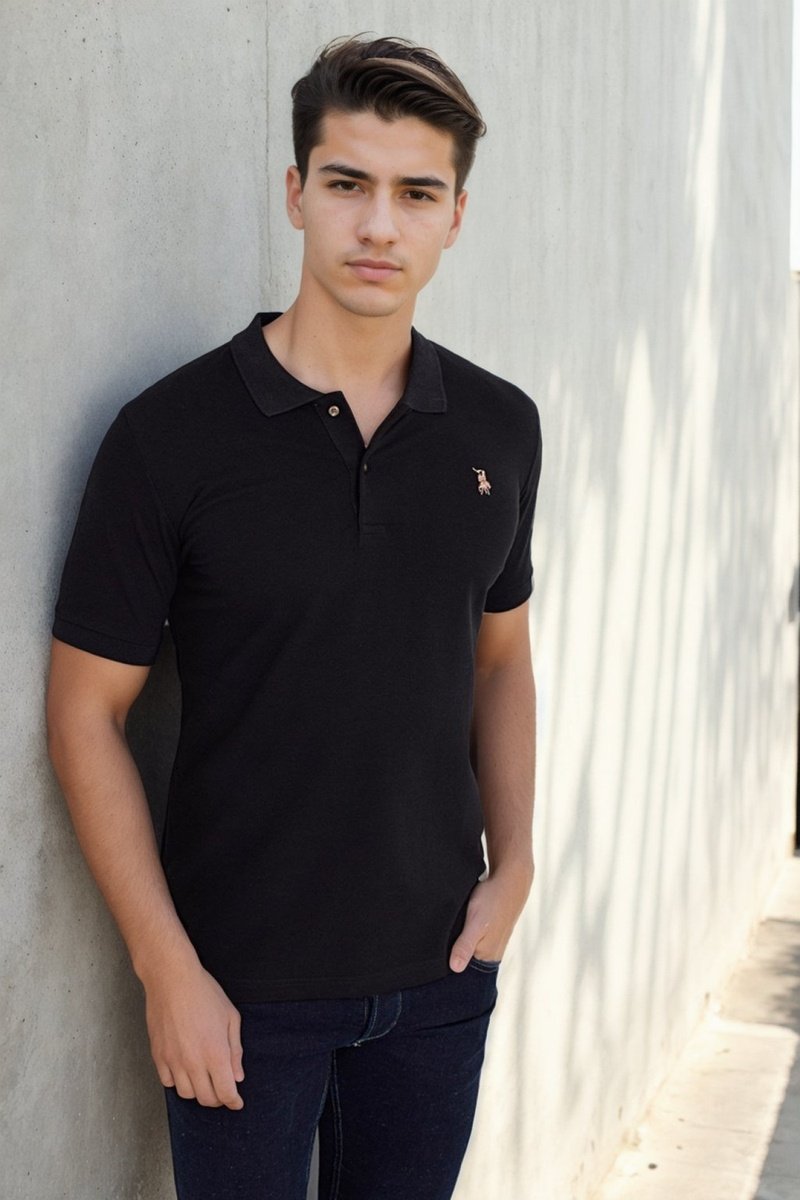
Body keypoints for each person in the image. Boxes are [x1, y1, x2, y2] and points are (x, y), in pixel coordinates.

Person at [45, 32, 543, 1200]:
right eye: (346, 183)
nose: (378, 226)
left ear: (455, 215)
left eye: (415, 193)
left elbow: (500, 659)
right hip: (237, 992)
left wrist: (515, 865)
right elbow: (83, 714)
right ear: (295, 193)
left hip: (437, 978)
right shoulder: (170, 436)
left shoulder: (497, 428)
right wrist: (166, 970)